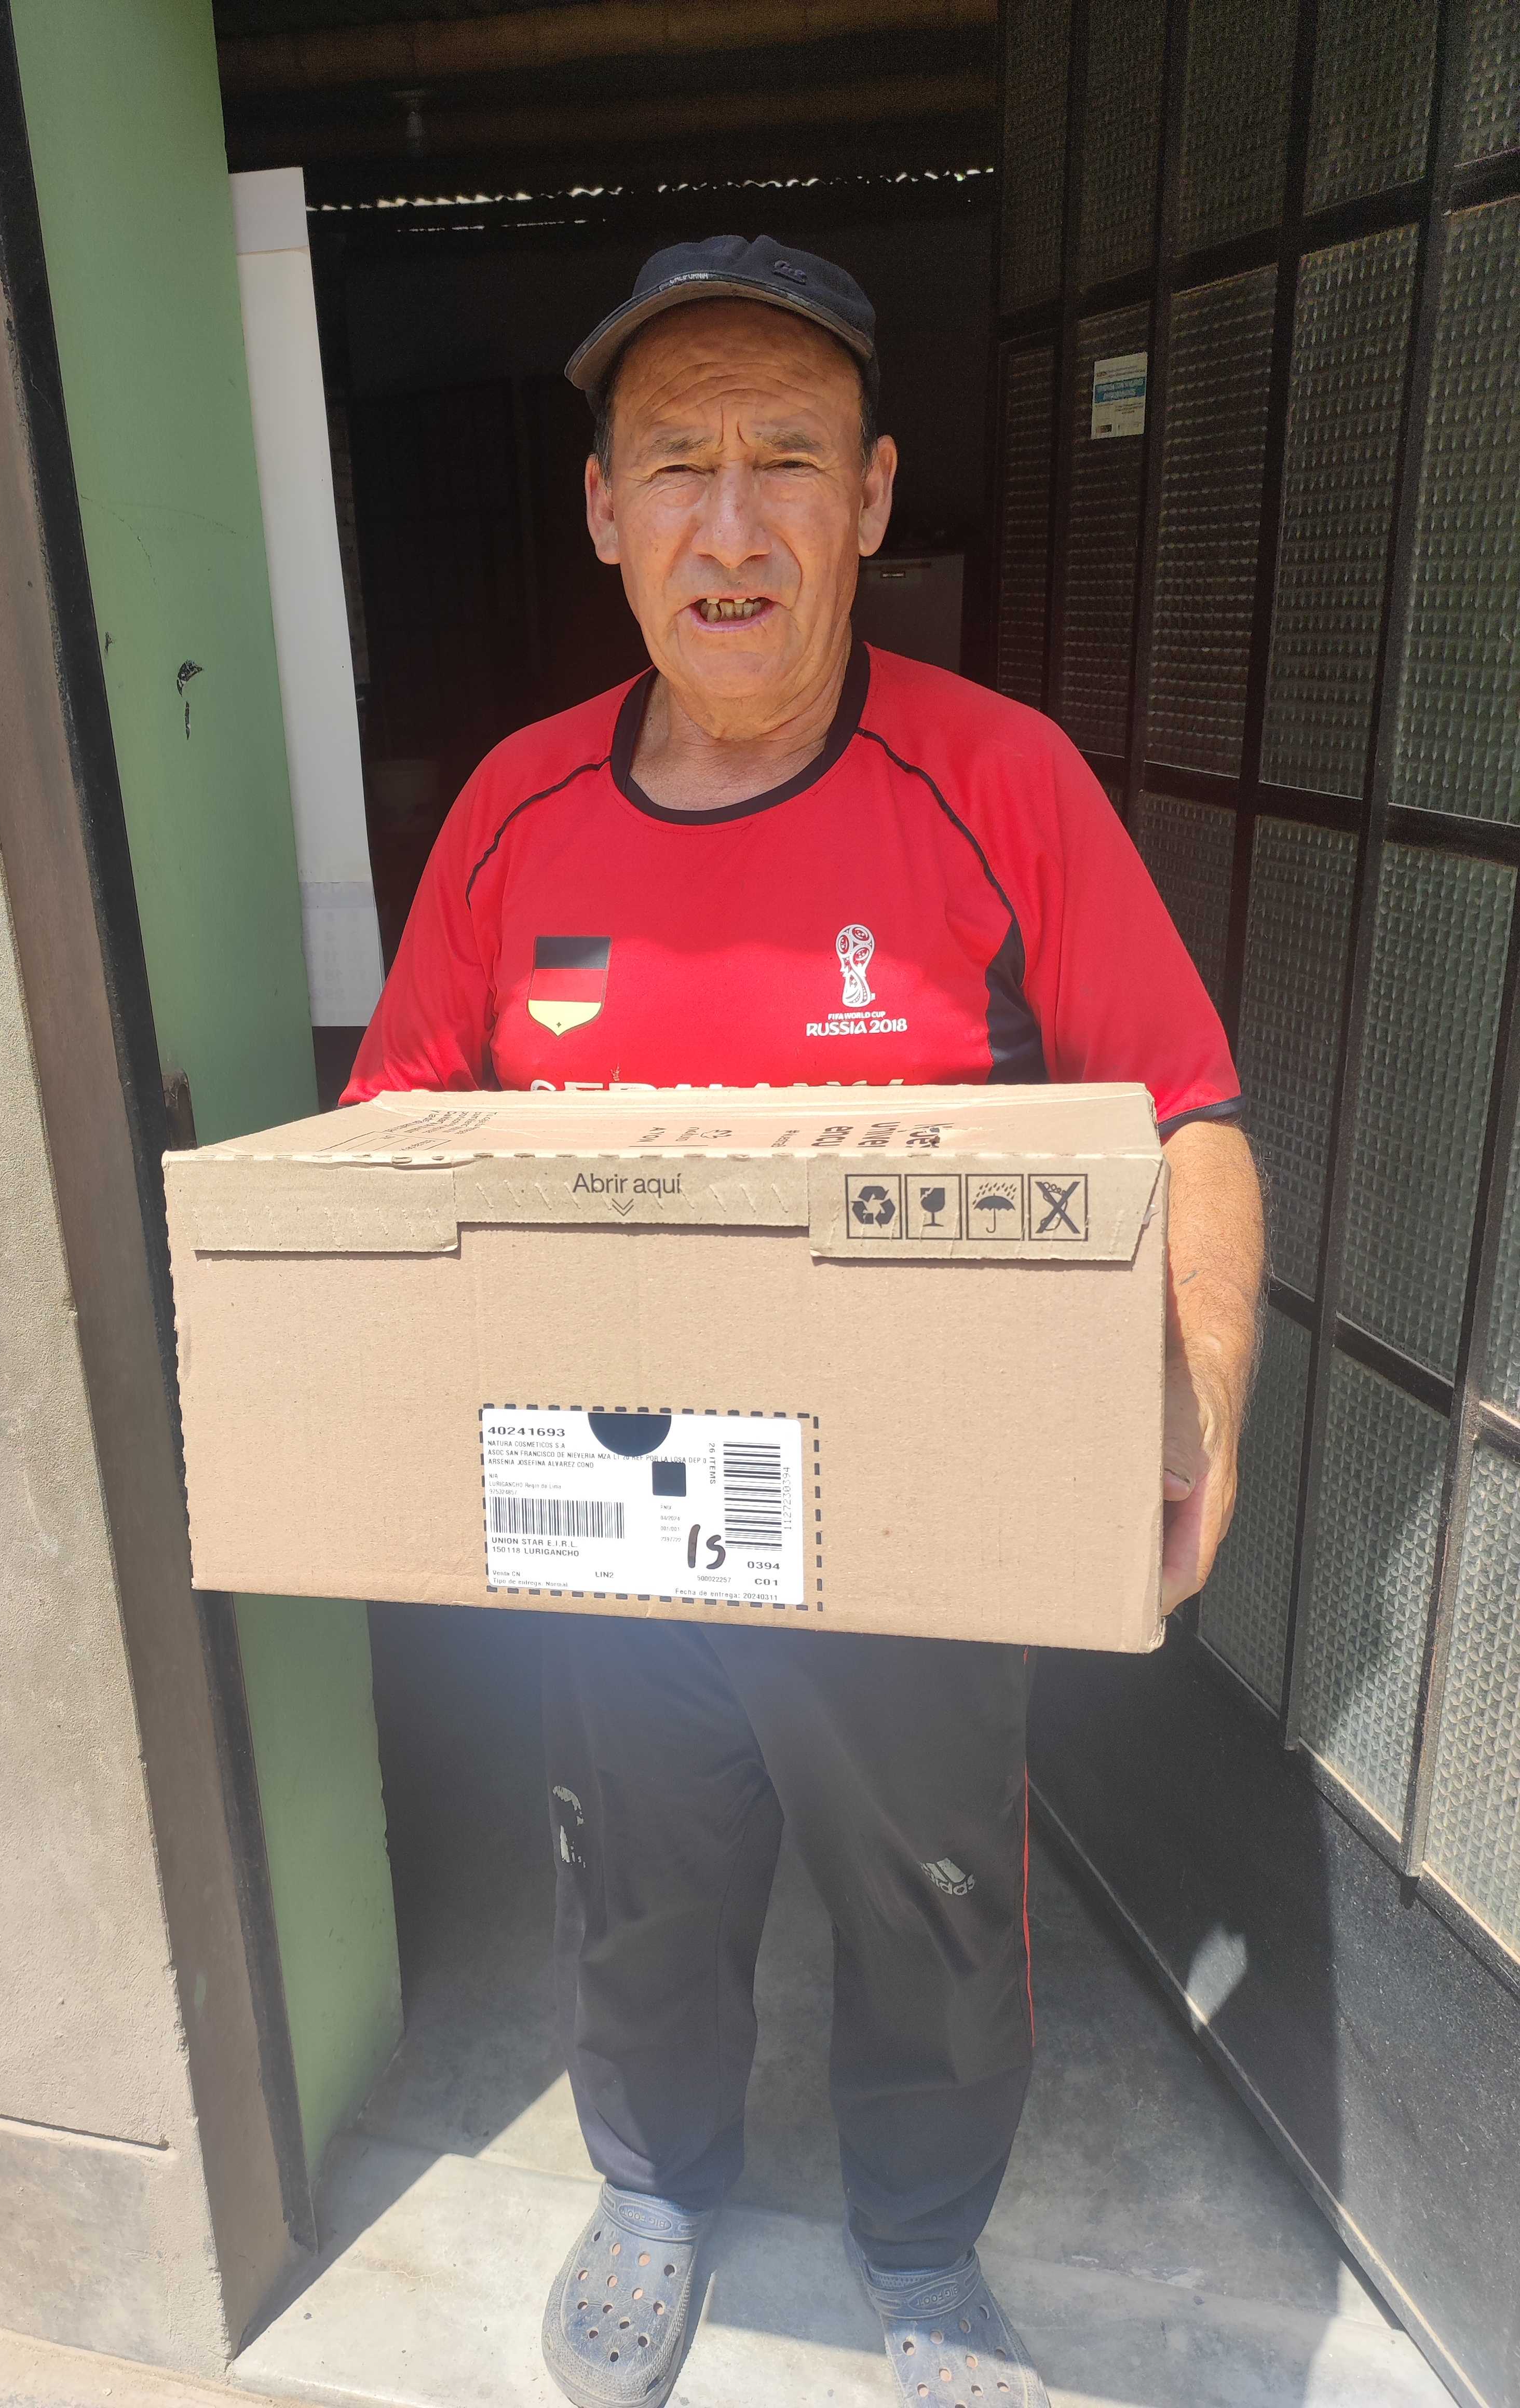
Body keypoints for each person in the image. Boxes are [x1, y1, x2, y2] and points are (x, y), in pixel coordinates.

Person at [344, 235, 1264, 2408]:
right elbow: (393, 1137)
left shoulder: (996, 780)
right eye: (677, 464)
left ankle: (922, 2260)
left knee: (936, 1901)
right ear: (603, 512)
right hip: (619, 1504)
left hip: (908, 1529)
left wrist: (1198, 1407)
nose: (731, 524)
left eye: (786, 460)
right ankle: (653, 2188)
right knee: (635, 1880)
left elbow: (1185, 1110)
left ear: (871, 497)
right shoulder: (513, 810)